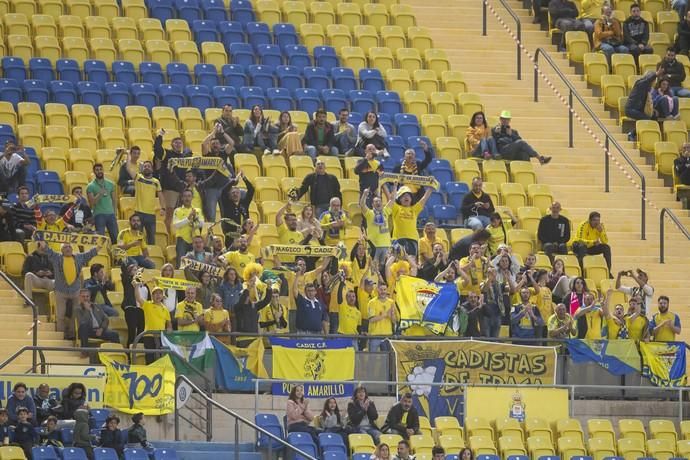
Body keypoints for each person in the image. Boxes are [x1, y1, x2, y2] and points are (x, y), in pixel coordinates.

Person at [40, 239, 102, 339]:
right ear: (62, 250)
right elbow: (48, 251)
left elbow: (89, 254)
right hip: (60, 291)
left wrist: (99, 247)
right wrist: (43, 244)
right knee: (60, 315)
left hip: (75, 291)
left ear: (72, 249)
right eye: (65, 247)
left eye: (69, 247)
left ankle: (72, 335)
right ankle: (60, 335)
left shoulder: (79, 257)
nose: (68, 248)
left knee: (75, 314)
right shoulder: (57, 258)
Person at [154, 130, 190, 236]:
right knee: (169, 215)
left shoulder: (185, 157)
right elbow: (157, 150)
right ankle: (169, 236)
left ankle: (179, 235)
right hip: (170, 189)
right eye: (176, 142)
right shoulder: (168, 154)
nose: (178, 144)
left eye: (180, 143)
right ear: (171, 144)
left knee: (182, 215)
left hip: (182, 189)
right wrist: (159, 136)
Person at [133, 282, 172, 364]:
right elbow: (138, 298)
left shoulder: (165, 309)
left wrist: (169, 329)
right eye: (155, 293)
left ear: (162, 296)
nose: (158, 295)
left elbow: (169, 323)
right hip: (149, 336)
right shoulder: (148, 305)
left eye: (160, 293)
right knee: (150, 357)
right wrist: (136, 287)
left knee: (160, 358)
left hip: (160, 337)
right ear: (152, 295)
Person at [391, 184, 433, 257]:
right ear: (399, 199)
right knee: (398, 260)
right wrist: (394, 186)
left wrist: (431, 188)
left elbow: (424, 199)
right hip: (398, 239)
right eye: (403, 196)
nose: (406, 197)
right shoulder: (396, 208)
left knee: (412, 262)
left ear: (411, 199)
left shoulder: (414, 209)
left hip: (413, 239)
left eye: (408, 195)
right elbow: (391, 199)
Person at [75, 288, 120, 353]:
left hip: (99, 330)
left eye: (87, 296)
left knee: (114, 334)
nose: (85, 298)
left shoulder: (96, 306)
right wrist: (87, 310)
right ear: (80, 298)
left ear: (90, 297)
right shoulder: (78, 309)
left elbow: (105, 319)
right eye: (83, 296)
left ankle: (117, 354)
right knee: (83, 326)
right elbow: (82, 322)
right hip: (87, 331)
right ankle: (85, 352)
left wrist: (101, 328)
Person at [134, 160, 166, 245]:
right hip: (139, 213)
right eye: (145, 166)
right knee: (137, 238)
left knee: (151, 239)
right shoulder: (138, 178)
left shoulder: (156, 182)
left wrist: (163, 208)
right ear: (142, 169)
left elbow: (160, 195)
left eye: (148, 166)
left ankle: (150, 256)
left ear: (152, 169)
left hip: (151, 215)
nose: (147, 168)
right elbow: (129, 168)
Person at [219, 171, 253, 248]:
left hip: (244, 236)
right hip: (231, 236)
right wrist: (234, 180)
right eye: (233, 193)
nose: (235, 194)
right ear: (229, 195)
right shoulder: (226, 204)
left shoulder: (244, 203)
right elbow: (223, 191)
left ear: (240, 194)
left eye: (237, 193)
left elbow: (251, 190)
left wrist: (244, 178)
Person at [572, 211, 612, 277]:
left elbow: (605, 241)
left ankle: (608, 272)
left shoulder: (600, 226)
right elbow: (581, 240)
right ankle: (582, 273)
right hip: (578, 245)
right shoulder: (584, 225)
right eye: (594, 220)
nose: (596, 222)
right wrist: (592, 242)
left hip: (591, 246)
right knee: (582, 247)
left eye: (598, 220)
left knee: (606, 247)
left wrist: (601, 232)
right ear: (589, 220)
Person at [173, 189, 204, 266]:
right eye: (185, 196)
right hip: (182, 239)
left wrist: (194, 220)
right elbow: (176, 225)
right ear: (182, 198)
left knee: (196, 264)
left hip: (195, 240)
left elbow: (202, 223)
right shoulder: (177, 210)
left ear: (192, 198)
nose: (187, 198)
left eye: (189, 196)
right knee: (181, 263)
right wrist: (188, 218)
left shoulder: (197, 210)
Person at [367, 283, 396, 351]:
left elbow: (394, 321)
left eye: (384, 289)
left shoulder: (391, 302)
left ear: (387, 290)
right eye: (381, 289)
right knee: (372, 357)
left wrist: (390, 316)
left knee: (387, 358)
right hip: (375, 335)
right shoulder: (372, 302)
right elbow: (371, 319)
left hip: (387, 335)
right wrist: (385, 315)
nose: (383, 291)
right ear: (377, 290)